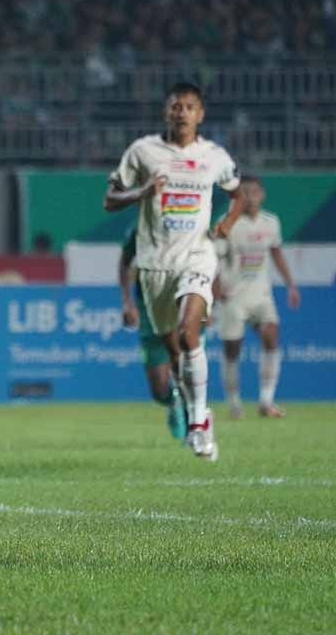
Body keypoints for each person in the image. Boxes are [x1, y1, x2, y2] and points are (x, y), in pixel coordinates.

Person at [103, 82, 244, 461]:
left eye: (189, 106)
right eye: (176, 106)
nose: (182, 112)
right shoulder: (143, 151)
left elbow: (237, 193)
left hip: (197, 257)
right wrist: (142, 192)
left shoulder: (214, 156)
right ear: (166, 112)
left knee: (187, 332)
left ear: (201, 114)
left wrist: (228, 223)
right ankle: (198, 411)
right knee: (176, 354)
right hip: (154, 267)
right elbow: (110, 199)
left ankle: (198, 423)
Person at [213, 175, 300, 418]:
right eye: (244, 192)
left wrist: (291, 285)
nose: (249, 197)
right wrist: (215, 290)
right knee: (232, 350)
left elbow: (276, 253)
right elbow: (214, 259)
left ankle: (266, 401)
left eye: (254, 192)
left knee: (271, 337)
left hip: (261, 294)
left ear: (262, 194)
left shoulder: (270, 222)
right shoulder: (226, 223)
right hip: (233, 296)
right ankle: (234, 404)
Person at [117, 219, 188, 439]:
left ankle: (196, 426)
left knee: (184, 362)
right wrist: (127, 302)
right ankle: (173, 401)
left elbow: (206, 262)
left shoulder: (188, 224)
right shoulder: (139, 229)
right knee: (158, 390)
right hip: (148, 307)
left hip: (180, 302)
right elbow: (124, 264)